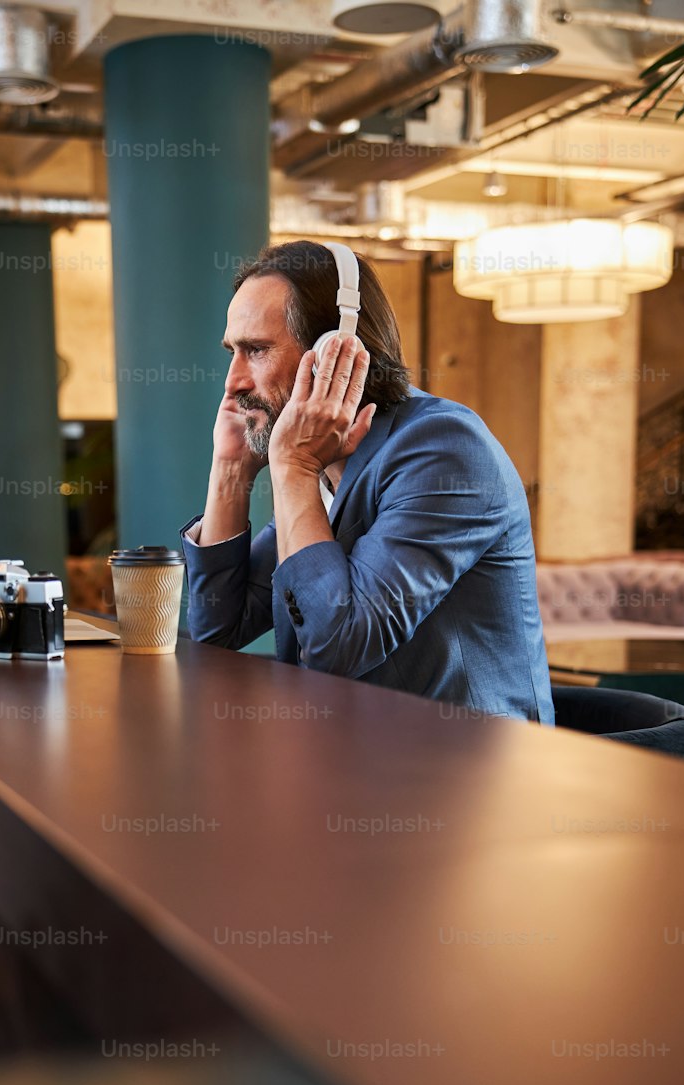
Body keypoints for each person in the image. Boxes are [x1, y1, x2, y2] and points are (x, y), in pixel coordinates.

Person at [180, 240, 554, 724]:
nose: (232, 382)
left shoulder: (444, 448)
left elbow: (338, 647)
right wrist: (230, 467)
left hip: (466, 775)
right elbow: (218, 634)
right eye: (234, 351)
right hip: (359, 766)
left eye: (256, 350)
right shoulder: (331, 462)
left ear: (334, 352)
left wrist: (293, 468)